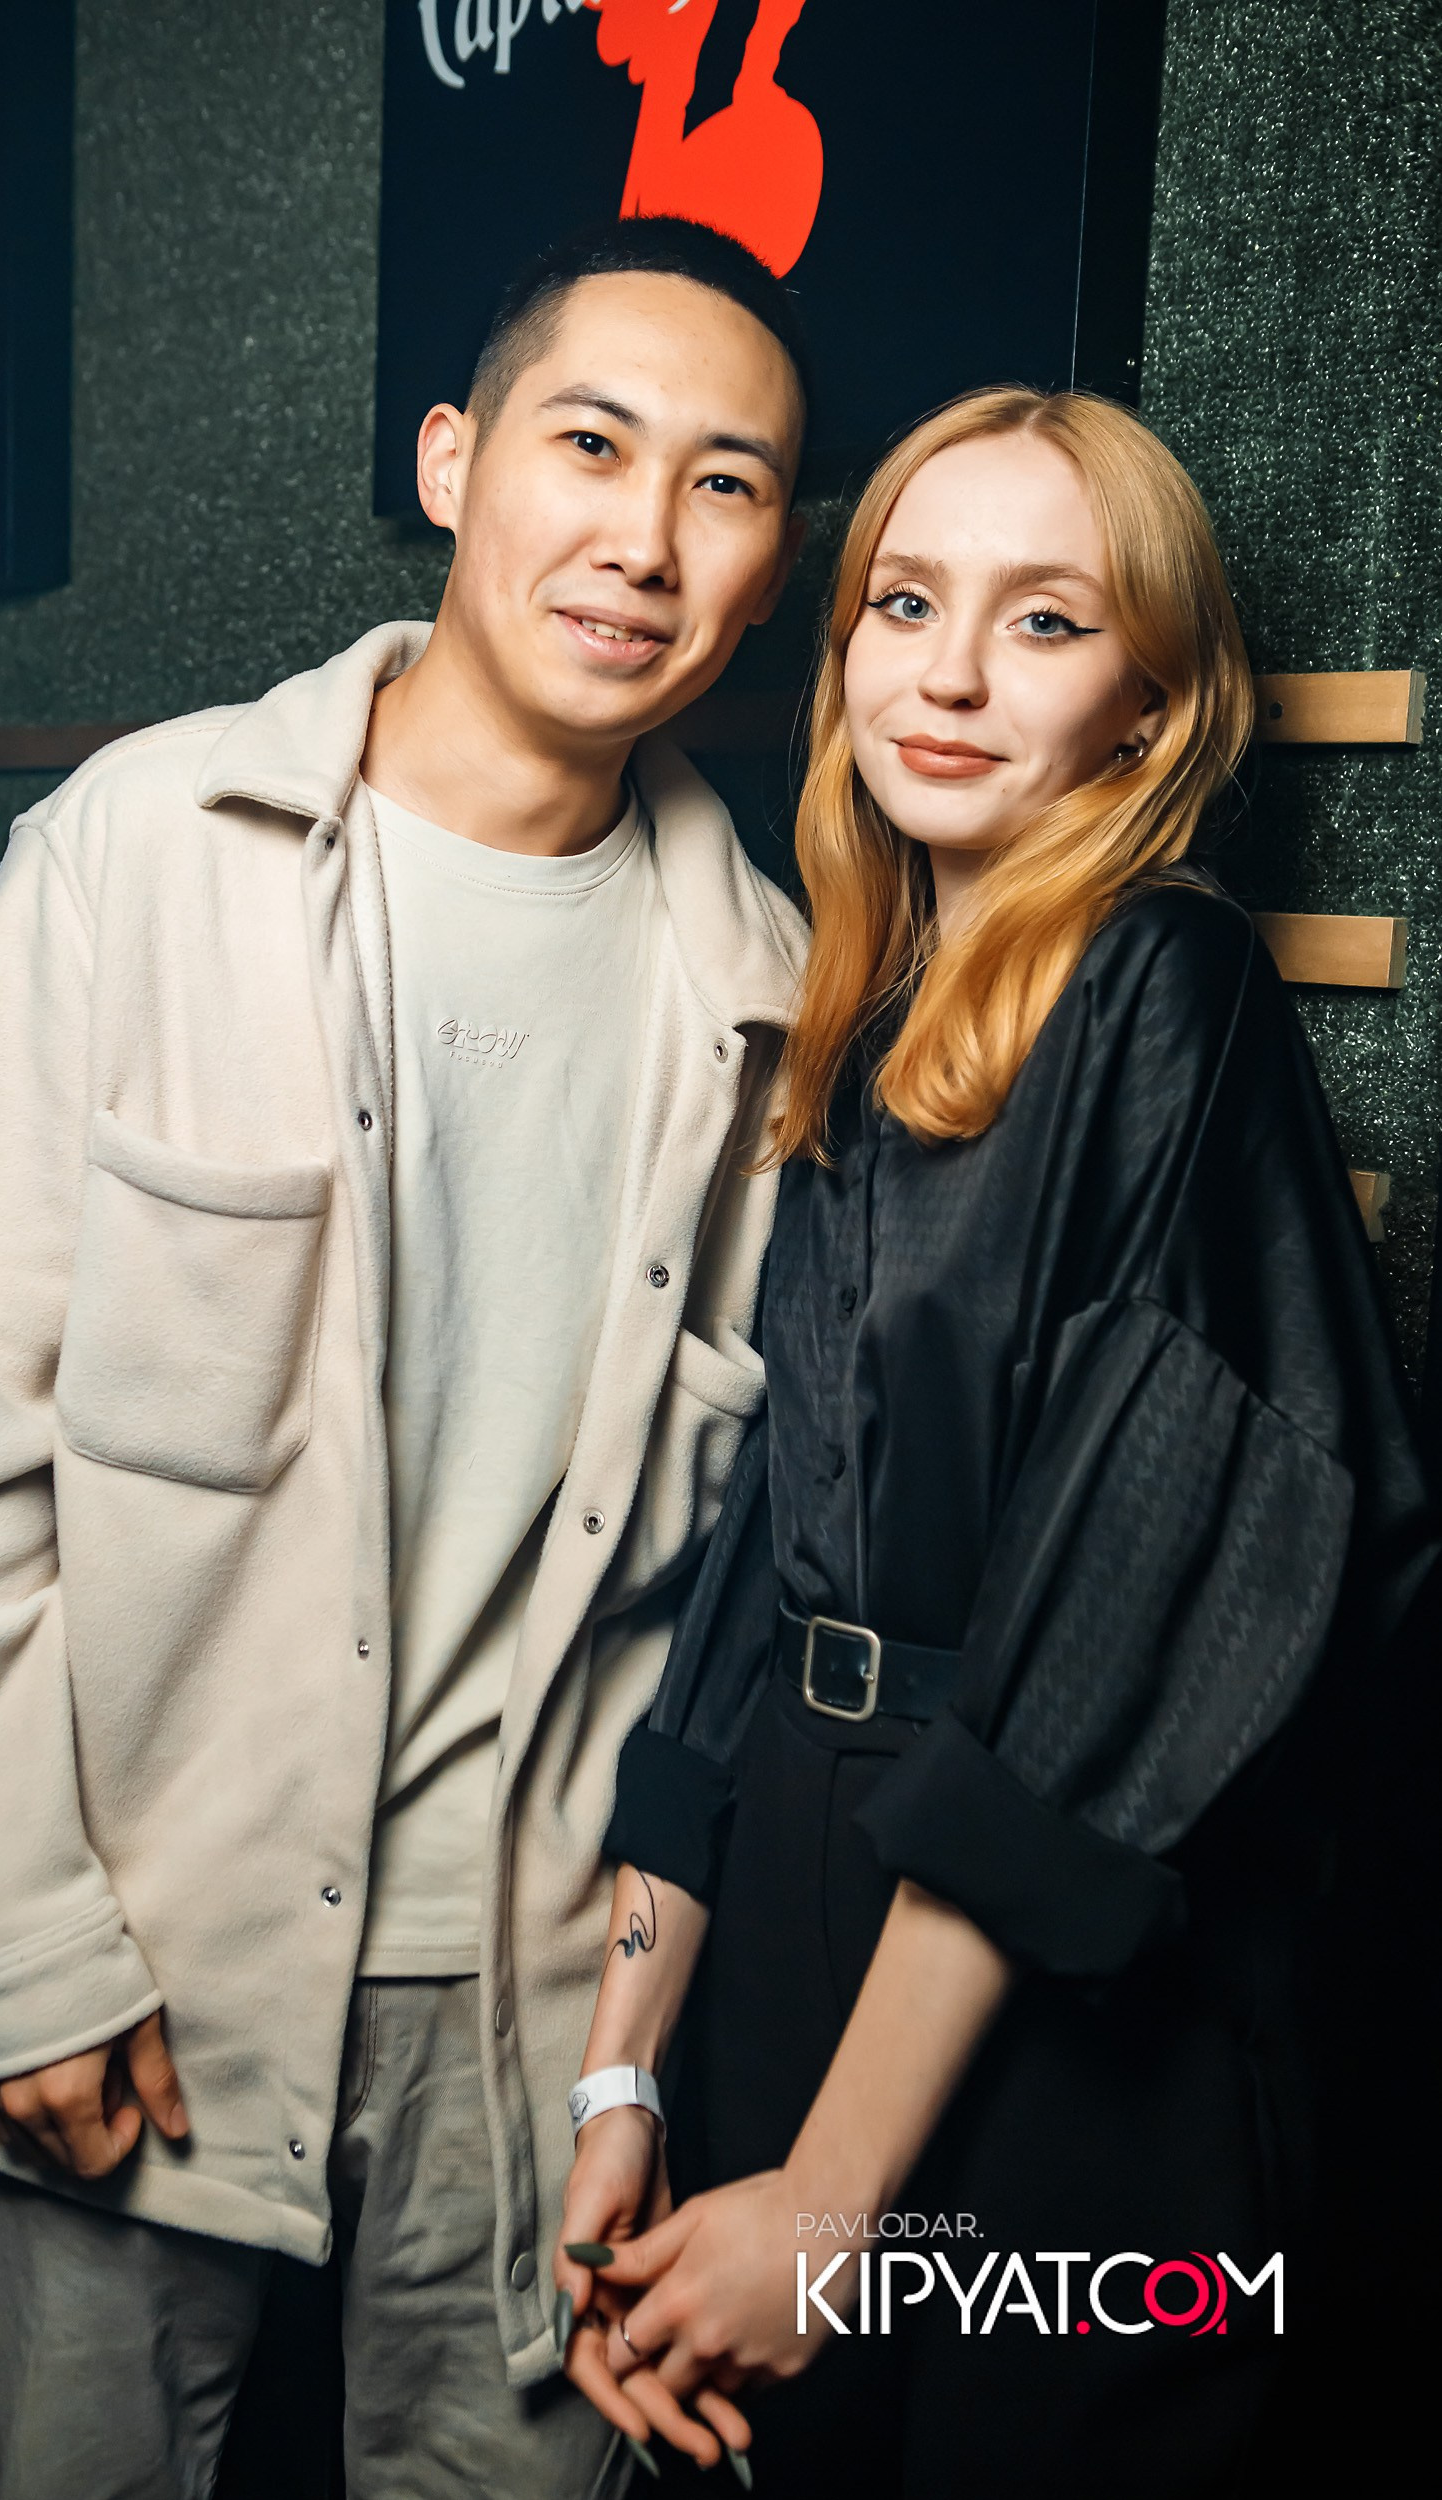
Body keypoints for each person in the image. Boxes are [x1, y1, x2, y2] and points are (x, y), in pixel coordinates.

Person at [0, 216, 812, 2500]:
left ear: (775, 566)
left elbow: (716, 1616)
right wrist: (18, 1946)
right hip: (133, 1965)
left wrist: (629, 2053)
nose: (646, 539)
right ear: (453, 463)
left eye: (727, 484)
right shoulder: (139, 853)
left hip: (535, 2028)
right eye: (593, 444)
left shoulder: (771, 995)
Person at [552, 386, 1438, 2496]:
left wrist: (835, 2205)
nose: (946, 674)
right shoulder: (862, 1019)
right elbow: (768, 1562)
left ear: (1151, 706)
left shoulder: (1167, 983)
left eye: (1045, 621)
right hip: (797, 1902)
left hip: (1059, 1987)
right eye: (905, 603)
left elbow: (1127, 1605)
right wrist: (622, 2072)